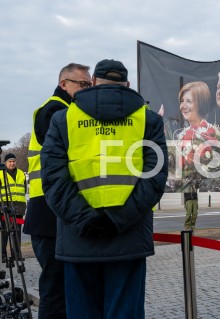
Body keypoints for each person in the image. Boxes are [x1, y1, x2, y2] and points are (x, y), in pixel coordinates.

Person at [40, 59, 168, 319]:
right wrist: (117, 221)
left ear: (94, 82)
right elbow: (154, 179)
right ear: (127, 84)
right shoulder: (149, 120)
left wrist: (85, 220)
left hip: (79, 239)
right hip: (128, 238)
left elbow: (54, 180)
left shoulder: (63, 119)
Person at [23, 62, 91, 319]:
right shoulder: (54, 110)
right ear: (64, 84)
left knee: (62, 286)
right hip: (48, 212)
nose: (86, 89)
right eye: (82, 84)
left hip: (53, 210)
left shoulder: (67, 109)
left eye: (89, 84)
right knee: (55, 287)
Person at [175, 81, 220, 173]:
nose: (183, 106)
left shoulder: (213, 133)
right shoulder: (181, 135)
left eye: (189, 101)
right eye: (181, 101)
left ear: (201, 104)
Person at [0, 153, 27, 263]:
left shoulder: (21, 173)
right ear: (5, 163)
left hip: (19, 208)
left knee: (17, 232)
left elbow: (24, 189)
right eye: (10, 161)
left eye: (13, 161)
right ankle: (4, 256)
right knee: (5, 232)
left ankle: (17, 255)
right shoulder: (1, 174)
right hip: (4, 207)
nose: (12, 163)